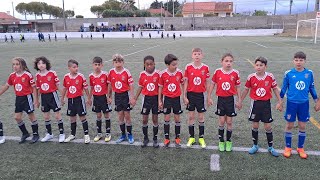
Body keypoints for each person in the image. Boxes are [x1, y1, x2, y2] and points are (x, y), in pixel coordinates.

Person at [241, 57, 282, 157]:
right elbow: (246, 90)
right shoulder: (251, 77)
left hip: (266, 104)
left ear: (265, 66)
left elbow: (275, 89)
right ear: (255, 66)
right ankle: (255, 146)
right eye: (257, 65)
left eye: (261, 65)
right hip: (255, 104)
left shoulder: (270, 76)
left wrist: (280, 101)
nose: (258, 67)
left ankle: (271, 147)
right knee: (255, 125)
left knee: (268, 126)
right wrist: (240, 101)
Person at [280, 51, 318, 159]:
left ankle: (300, 148)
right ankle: (288, 147)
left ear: (305, 61)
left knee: (302, 126)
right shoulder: (288, 73)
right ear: (293, 61)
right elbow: (283, 88)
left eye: (301, 60)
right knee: (289, 125)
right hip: (291, 103)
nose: (298, 62)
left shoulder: (309, 73)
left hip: (304, 104)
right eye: (296, 60)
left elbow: (312, 88)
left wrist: (316, 101)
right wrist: (280, 101)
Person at [0, 57, 39, 144]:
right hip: (18, 98)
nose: (15, 66)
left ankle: (36, 134)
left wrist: (36, 100)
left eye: (17, 64)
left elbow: (34, 88)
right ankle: (25, 133)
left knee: (31, 116)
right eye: (13, 64)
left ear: (23, 65)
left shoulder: (27, 75)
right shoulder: (12, 75)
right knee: (17, 117)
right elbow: (6, 86)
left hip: (27, 97)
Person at [208, 53, 241, 152]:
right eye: (226, 61)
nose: (228, 63)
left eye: (230, 61)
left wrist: (239, 100)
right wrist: (209, 97)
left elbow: (238, 87)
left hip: (231, 99)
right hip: (221, 99)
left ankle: (229, 141)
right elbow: (212, 84)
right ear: (222, 62)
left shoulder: (235, 73)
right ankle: (221, 141)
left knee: (229, 122)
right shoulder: (218, 72)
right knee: (222, 121)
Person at [33, 56, 65, 143]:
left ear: (46, 64)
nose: (41, 65)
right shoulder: (37, 75)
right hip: (44, 97)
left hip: (52, 96)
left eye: (43, 63)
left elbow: (58, 86)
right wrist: (37, 100)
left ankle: (62, 133)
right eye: (39, 63)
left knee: (57, 115)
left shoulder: (52, 73)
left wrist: (63, 96)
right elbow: (38, 89)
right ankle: (49, 134)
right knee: (46, 116)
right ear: (37, 65)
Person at [183, 48, 210, 148]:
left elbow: (207, 82)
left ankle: (201, 138)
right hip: (190, 94)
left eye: (199, 54)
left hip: (201, 95)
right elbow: (186, 81)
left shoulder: (205, 67)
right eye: (195, 54)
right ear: (192, 56)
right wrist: (184, 96)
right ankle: (191, 137)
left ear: (202, 56)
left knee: (201, 117)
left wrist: (208, 96)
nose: (197, 56)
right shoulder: (188, 67)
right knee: (191, 117)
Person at [132, 56, 160, 148]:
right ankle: (146, 138)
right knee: (144, 119)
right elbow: (140, 87)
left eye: (151, 64)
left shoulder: (158, 74)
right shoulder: (142, 74)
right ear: (144, 64)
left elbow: (161, 88)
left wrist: (160, 100)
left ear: (154, 64)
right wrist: (135, 98)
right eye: (147, 64)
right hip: (146, 99)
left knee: (155, 119)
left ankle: (155, 139)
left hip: (155, 99)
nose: (149, 66)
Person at [61, 59, 91, 144]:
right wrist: (62, 98)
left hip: (79, 99)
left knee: (82, 117)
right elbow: (65, 88)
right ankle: (72, 135)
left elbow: (85, 88)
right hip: (70, 100)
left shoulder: (81, 76)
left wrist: (89, 98)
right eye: (74, 67)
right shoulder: (66, 77)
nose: (76, 68)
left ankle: (86, 135)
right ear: (69, 68)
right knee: (72, 118)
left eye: (77, 67)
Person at [107, 54, 135, 144]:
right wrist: (109, 96)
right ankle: (123, 135)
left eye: (120, 62)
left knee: (127, 115)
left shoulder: (126, 72)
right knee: (120, 115)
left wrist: (131, 97)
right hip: (117, 96)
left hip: (125, 95)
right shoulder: (111, 72)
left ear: (123, 62)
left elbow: (131, 85)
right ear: (113, 63)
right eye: (116, 62)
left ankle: (130, 134)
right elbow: (110, 85)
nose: (118, 64)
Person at [158, 54, 184, 148]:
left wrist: (184, 96)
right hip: (167, 99)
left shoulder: (180, 73)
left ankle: (177, 138)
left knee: (177, 118)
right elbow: (160, 88)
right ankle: (166, 138)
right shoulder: (162, 74)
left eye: (176, 64)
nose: (175, 66)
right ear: (167, 65)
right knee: (167, 118)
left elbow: (183, 84)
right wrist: (160, 101)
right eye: (173, 64)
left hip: (177, 99)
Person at [88, 57, 112, 142]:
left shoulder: (105, 74)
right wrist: (89, 98)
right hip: (96, 98)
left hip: (104, 98)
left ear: (102, 65)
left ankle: (108, 133)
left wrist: (109, 97)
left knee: (106, 115)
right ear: (93, 65)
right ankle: (99, 133)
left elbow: (109, 86)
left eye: (99, 64)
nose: (97, 66)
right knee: (98, 115)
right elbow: (92, 87)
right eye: (95, 65)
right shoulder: (91, 76)